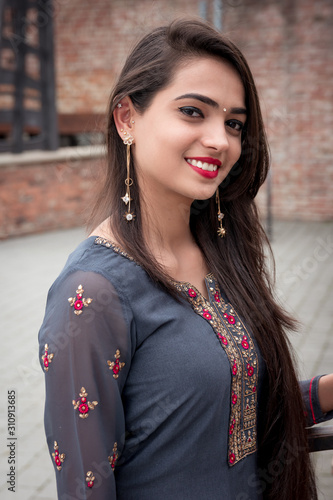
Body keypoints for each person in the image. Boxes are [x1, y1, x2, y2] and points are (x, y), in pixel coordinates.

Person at [38, 17, 333, 500]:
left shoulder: (221, 254)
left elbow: (229, 421)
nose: (221, 140)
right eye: (194, 112)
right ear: (126, 119)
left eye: (234, 122)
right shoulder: (92, 293)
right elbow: (85, 489)